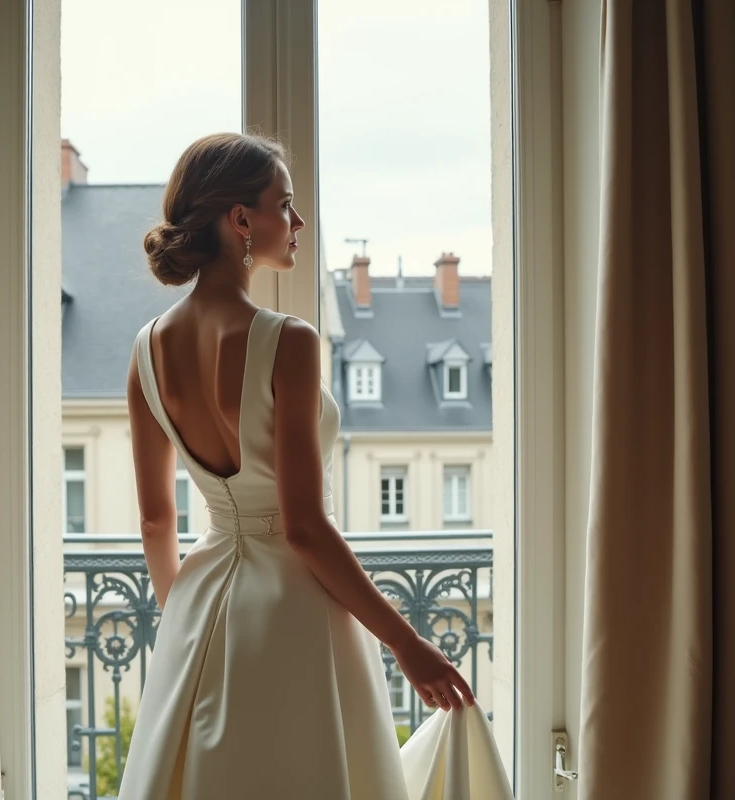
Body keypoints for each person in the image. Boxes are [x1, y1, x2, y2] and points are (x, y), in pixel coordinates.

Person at [120, 132, 511, 799]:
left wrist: (186, 624)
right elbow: (302, 526)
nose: (298, 221)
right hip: (293, 610)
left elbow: (156, 521)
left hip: (201, 603)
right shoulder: (288, 341)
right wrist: (405, 643)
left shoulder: (146, 349)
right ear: (241, 220)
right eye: (284, 204)